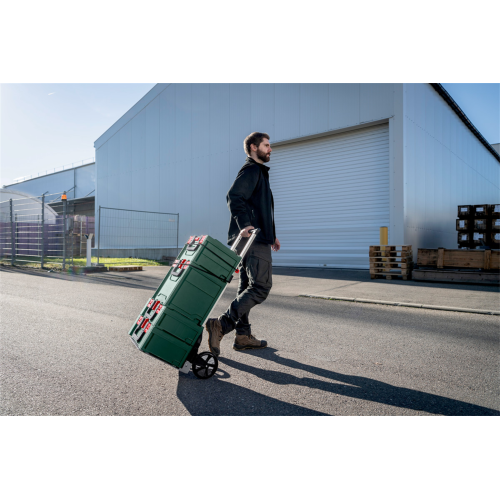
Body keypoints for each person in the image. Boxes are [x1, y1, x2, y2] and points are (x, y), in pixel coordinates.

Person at [205, 132, 280, 357]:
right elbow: (234, 196)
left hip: (255, 237)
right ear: (254, 147)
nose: (270, 149)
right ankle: (221, 324)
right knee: (261, 287)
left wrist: (272, 234)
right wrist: (245, 224)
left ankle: (243, 336)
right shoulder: (252, 170)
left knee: (247, 286)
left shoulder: (259, 172)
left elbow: (260, 208)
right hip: (252, 238)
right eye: (266, 145)